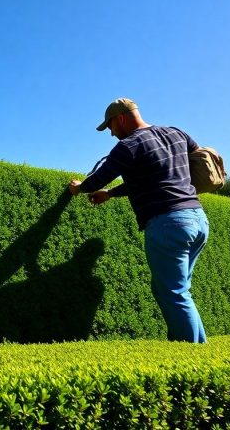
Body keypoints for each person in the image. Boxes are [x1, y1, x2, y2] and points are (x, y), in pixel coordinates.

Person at [68, 98, 208, 343]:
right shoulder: (176, 133)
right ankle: (181, 346)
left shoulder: (129, 145)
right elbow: (173, 168)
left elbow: (97, 179)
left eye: (110, 126)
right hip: (197, 218)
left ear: (121, 119)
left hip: (168, 223)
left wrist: (79, 188)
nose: (111, 133)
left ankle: (196, 356)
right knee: (174, 291)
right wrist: (111, 193)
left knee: (174, 293)